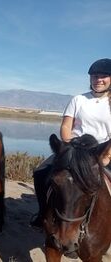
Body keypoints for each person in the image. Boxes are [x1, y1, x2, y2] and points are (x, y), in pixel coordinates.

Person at [30, 58, 111, 229]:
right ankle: (43, 212)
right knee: (40, 173)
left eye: (103, 76)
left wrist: (107, 156)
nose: (98, 80)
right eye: (95, 76)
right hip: (76, 150)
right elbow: (66, 126)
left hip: (103, 151)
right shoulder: (78, 100)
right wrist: (68, 148)